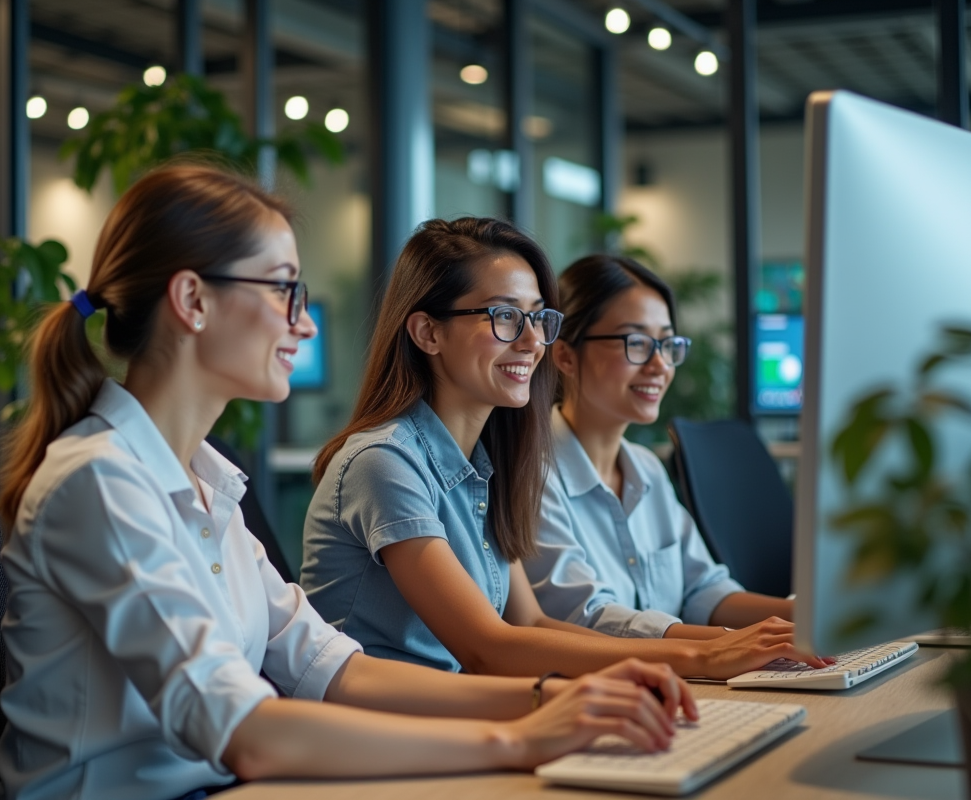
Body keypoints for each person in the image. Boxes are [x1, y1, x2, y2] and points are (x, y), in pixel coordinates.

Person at [0, 166, 696, 800]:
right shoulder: (100, 481)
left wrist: (551, 699)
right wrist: (519, 738)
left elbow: (334, 668)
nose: (304, 323)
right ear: (192, 300)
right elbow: (244, 731)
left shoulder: (208, 485)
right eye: (283, 290)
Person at [300, 217, 827, 683]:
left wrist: (730, 645)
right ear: (427, 333)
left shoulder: (484, 469)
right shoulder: (384, 463)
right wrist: (702, 657)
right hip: (385, 737)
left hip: (462, 716)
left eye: (538, 319)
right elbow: (488, 648)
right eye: (505, 317)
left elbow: (531, 623)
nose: (533, 342)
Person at [522, 254, 795, 641]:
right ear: (565, 354)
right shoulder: (531, 474)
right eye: (636, 342)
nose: (660, 365)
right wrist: (732, 645)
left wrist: (811, 619)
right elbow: (585, 617)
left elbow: (704, 591)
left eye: (667, 344)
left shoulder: (647, 468)